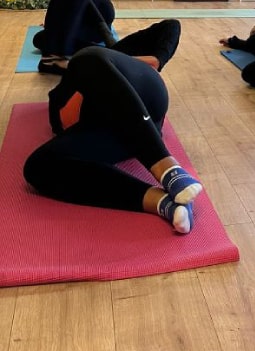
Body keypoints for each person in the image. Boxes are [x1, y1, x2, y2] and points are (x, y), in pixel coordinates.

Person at [23, 21, 199, 234]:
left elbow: (172, 26)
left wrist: (153, 59)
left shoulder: (102, 55)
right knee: (36, 167)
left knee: (87, 59)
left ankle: (169, 170)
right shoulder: (61, 103)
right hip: (118, 132)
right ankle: (164, 204)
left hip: (143, 89)